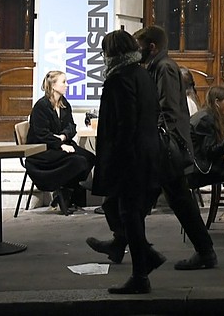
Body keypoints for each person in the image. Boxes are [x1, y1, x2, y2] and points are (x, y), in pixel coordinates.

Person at [88, 26, 217, 271]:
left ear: (151, 47)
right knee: (150, 202)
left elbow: (165, 110)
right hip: (160, 146)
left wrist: (153, 138)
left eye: (140, 45)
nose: (137, 49)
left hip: (164, 147)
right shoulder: (151, 69)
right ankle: (127, 244)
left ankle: (144, 253)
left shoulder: (163, 68)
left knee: (140, 202)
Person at [90, 30, 164, 294]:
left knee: (128, 214)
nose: (103, 57)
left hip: (130, 156)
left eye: (105, 52)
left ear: (112, 53)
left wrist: (116, 160)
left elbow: (125, 123)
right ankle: (145, 262)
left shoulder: (118, 79)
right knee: (129, 213)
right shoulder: (142, 74)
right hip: (148, 152)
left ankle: (141, 275)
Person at [26, 70, 95, 215]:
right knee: (78, 161)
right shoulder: (41, 107)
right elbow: (41, 134)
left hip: (58, 145)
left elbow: (71, 126)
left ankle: (66, 193)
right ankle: (65, 194)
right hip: (42, 151)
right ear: (53, 85)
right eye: (64, 82)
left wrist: (63, 137)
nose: (67, 85)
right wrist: (60, 145)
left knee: (89, 158)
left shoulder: (64, 104)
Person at [188, 86, 224, 188]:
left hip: (207, 164)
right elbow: (210, 152)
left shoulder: (211, 115)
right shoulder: (205, 119)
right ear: (217, 102)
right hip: (201, 170)